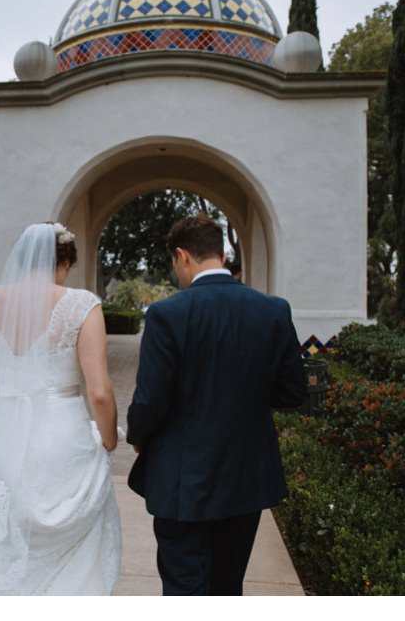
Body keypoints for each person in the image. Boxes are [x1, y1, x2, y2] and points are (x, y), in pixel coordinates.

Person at [126, 214, 307, 595]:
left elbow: (150, 401)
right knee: (228, 586)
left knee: (184, 587)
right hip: (245, 477)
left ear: (182, 256)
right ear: (221, 253)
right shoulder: (273, 310)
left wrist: (138, 437)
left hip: (182, 481)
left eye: (174, 263)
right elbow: (293, 392)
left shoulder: (167, 314)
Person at [0, 222, 122, 595]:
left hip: (1, 430)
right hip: (61, 433)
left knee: (12, 534)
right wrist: (108, 439)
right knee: (72, 542)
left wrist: (7, 385)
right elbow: (100, 392)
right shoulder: (81, 305)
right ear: (64, 263)